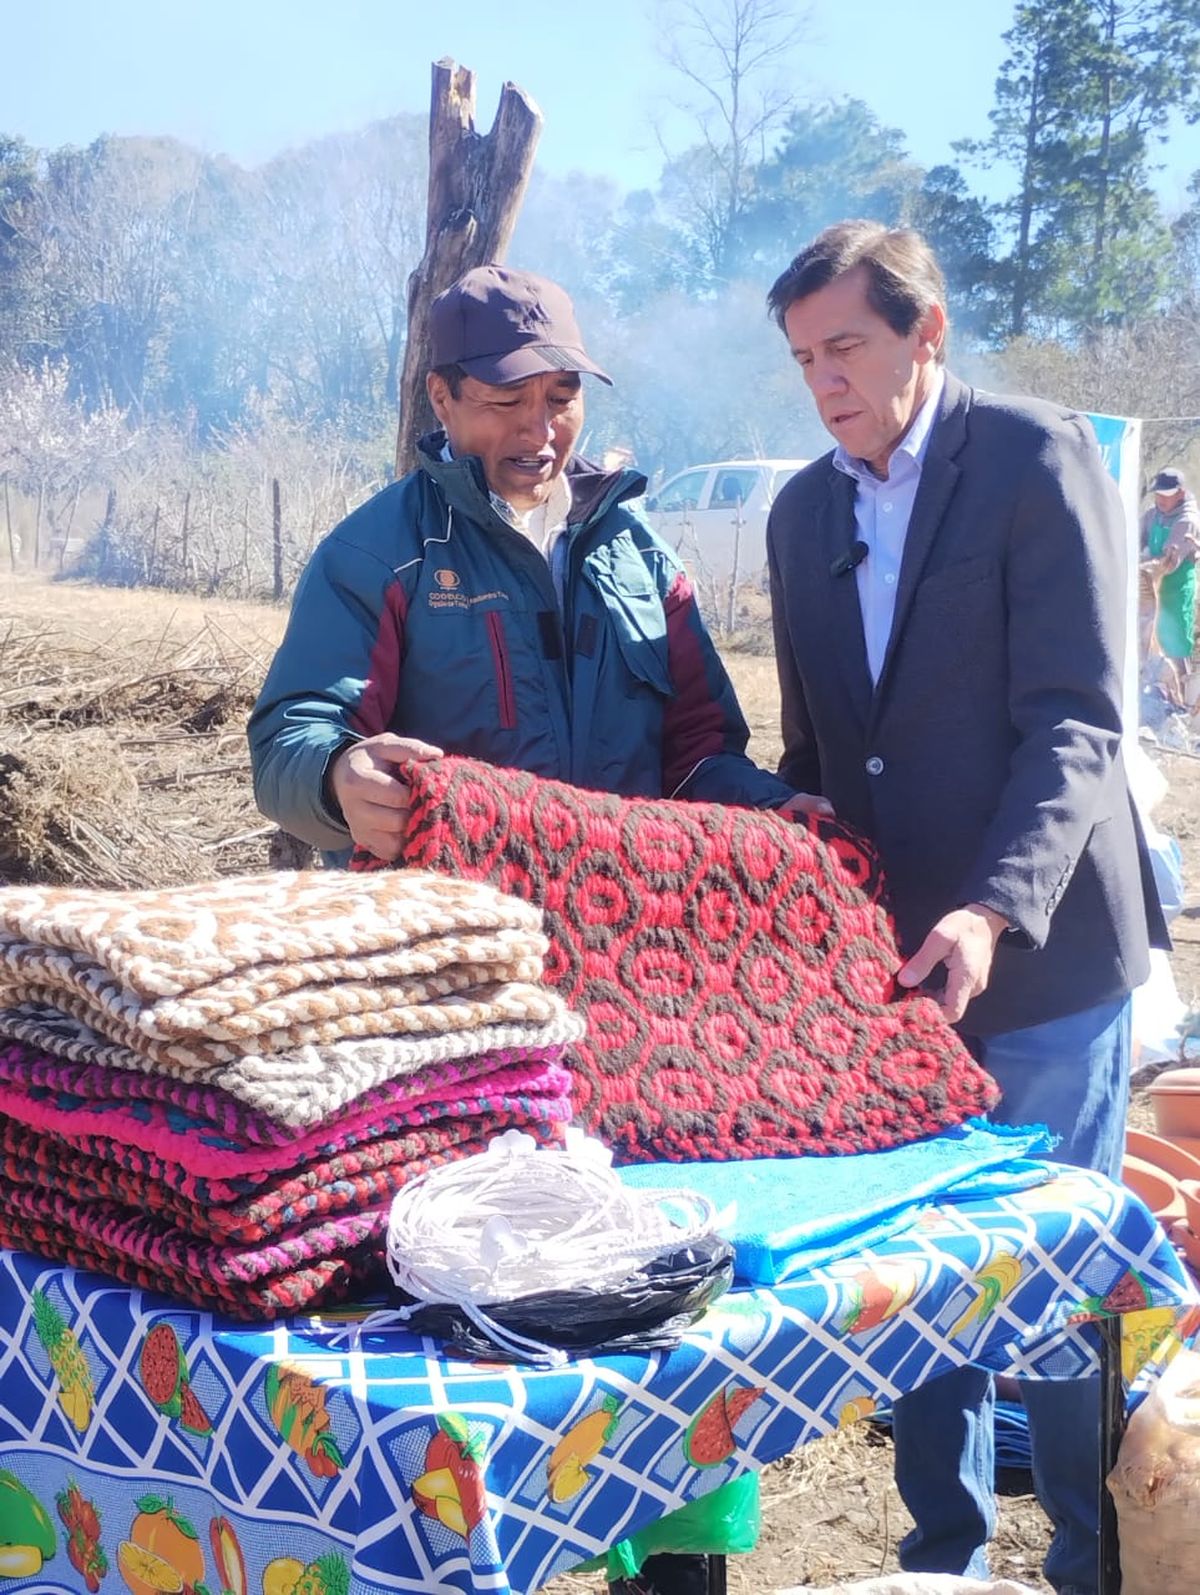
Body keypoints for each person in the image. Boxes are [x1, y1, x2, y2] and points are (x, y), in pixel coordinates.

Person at [249, 263, 805, 1595]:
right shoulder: (382, 552)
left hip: (646, 1005)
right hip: (453, 1016)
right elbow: (289, 736)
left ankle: (674, 1571)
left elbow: (700, 750)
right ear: (442, 399)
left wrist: (781, 816)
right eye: (505, 400)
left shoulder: (638, 551)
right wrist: (339, 778)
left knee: (660, 1303)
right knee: (465, 1302)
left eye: (559, 396)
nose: (539, 428)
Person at [763, 219, 1168, 1595]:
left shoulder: (1030, 458)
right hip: (894, 970)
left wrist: (994, 908)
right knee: (920, 1265)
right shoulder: (801, 515)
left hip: (1043, 956)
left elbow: (1079, 722)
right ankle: (945, 1556)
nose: (824, 380)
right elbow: (818, 748)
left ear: (926, 332)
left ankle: (1095, 1560)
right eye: (804, 357)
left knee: (1059, 1272)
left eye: (847, 346)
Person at [1139, 467, 1200, 708]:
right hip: (1150, 588)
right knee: (1149, 637)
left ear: (1180, 493)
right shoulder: (1151, 515)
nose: (1160, 500)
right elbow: (1135, 541)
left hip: (1175, 590)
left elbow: (1169, 563)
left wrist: (1141, 566)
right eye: (1157, 494)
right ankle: (1159, 694)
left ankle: (1185, 703)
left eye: (1166, 495)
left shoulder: (1187, 520)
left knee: (1176, 641)